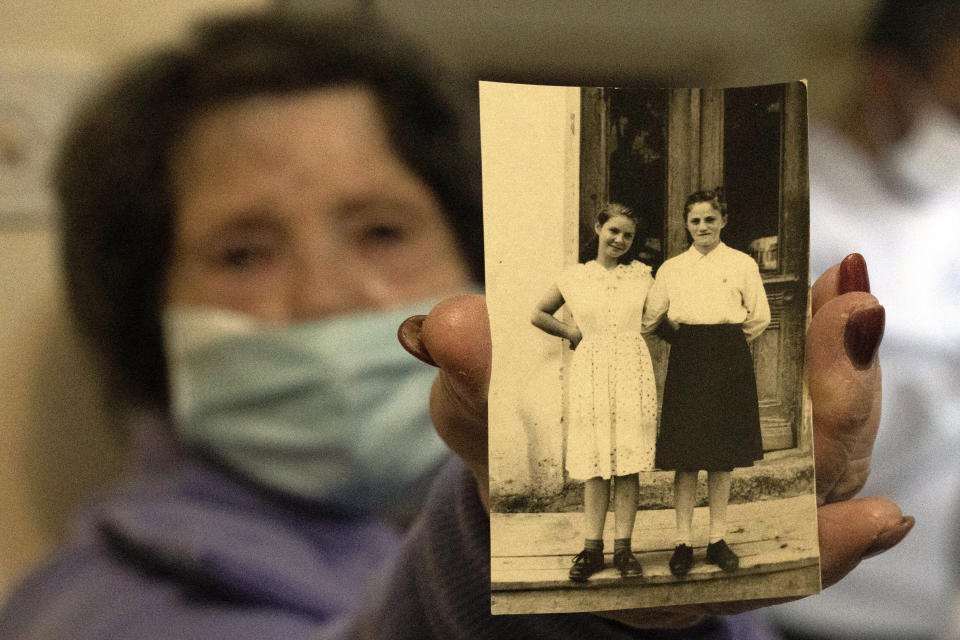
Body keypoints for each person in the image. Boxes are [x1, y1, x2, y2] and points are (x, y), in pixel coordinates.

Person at [0, 9, 910, 639]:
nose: (327, 296)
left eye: (383, 230)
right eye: (243, 253)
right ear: (142, 321)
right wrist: (520, 557)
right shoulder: (90, 607)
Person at [767, 1, 960, 639]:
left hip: (926, 604)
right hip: (785, 601)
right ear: (886, 76)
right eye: (955, 107)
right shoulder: (777, 186)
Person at [642, 188, 771, 577]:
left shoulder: (743, 263)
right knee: (686, 459)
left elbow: (759, 317)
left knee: (721, 459)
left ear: (723, 221)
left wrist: (726, 343)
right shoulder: (671, 268)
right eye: (695, 220)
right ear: (686, 224)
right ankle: (682, 542)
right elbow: (650, 319)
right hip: (689, 358)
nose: (702, 227)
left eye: (710, 219)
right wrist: (682, 340)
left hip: (728, 357)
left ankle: (717, 539)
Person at [530, 203, 658, 582]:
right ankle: (591, 549)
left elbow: (659, 315)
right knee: (597, 466)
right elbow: (539, 313)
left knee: (628, 465)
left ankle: (624, 550)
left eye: (628, 236)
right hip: (591, 369)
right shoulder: (575, 277)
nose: (619, 240)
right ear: (599, 228)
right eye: (614, 231)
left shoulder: (642, 276)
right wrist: (571, 333)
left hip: (631, 369)